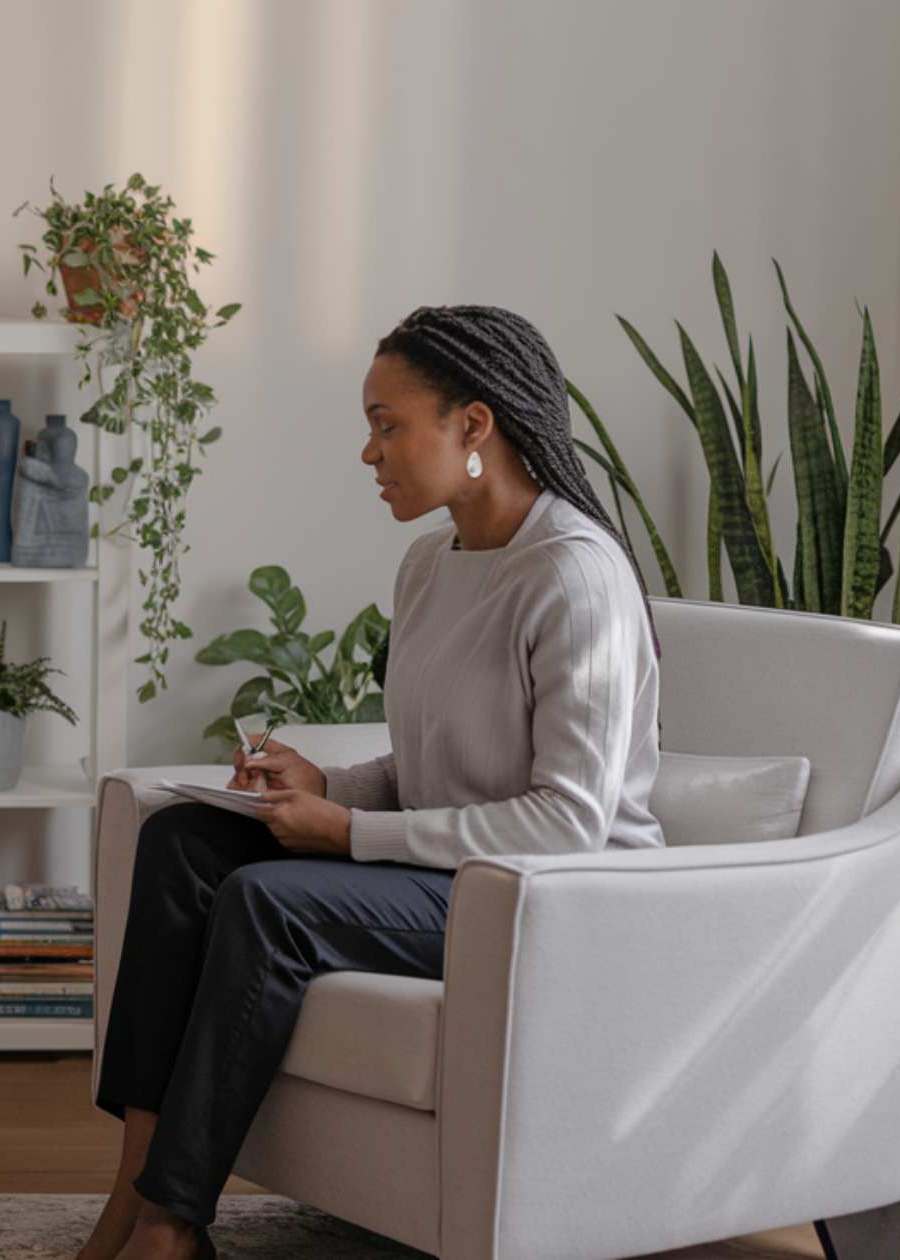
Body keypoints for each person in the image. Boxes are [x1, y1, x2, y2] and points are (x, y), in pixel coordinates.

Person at [78, 305, 666, 1260]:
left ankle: (170, 1224)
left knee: (269, 902)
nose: (369, 451)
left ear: (474, 426)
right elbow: (438, 764)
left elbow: (569, 820)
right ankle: (132, 1188)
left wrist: (346, 837)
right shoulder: (431, 563)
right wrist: (333, 786)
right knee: (181, 842)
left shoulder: (575, 576)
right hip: (455, 878)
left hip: (554, 901)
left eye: (388, 424)